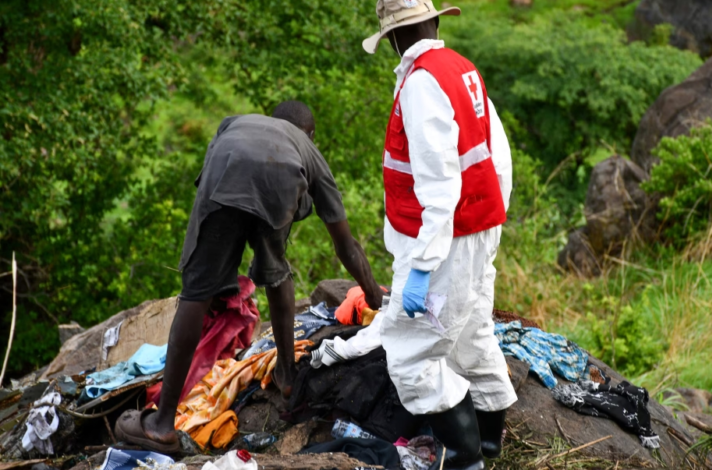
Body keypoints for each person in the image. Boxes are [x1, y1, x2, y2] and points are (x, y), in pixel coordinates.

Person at [115, 102, 384, 452]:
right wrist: (376, 299)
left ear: (273, 121)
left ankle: (162, 424)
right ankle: (287, 375)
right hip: (282, 183)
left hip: (224, 173)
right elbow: (346, 246)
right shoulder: (308, 150)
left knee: (195, 294)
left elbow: (216, 184)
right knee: (276, 272)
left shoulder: (236, 123)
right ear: (310, 135)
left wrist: (211, 286)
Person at [362, 2, 516, 468]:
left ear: (391, 37)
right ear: (436, 21)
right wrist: (490, 222)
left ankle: (466, 458)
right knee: (471, 334)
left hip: (445, 239)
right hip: (475, 227)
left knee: (411, 355)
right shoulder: (460, 69)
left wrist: (423, 267)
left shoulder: (422, 83)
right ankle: (489, 443)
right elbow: (498, 153)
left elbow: (440, 182)